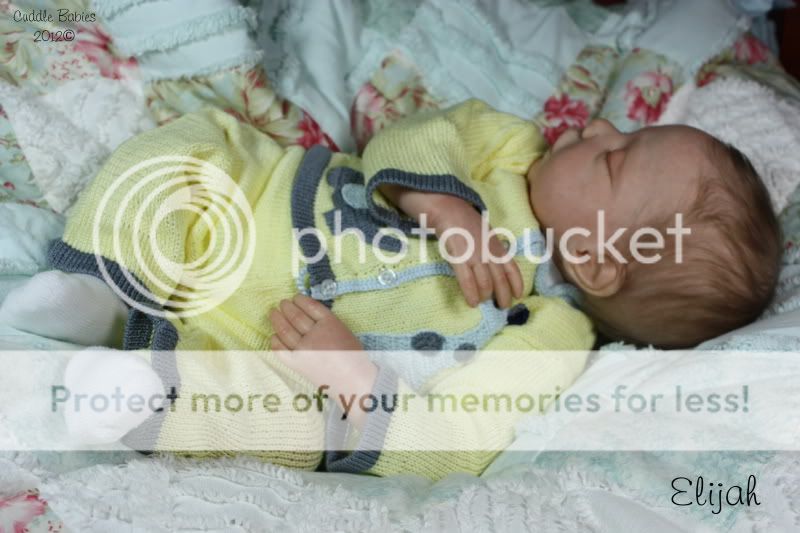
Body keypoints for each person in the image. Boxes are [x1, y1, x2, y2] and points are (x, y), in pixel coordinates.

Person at [0, 99, 780, 480]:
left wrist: (351, 377)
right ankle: (99, 280)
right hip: (257, 205)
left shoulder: (552, 337)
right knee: (198, 145)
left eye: (614, 158)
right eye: (616, 133)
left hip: (274, 348)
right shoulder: (511, 150)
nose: (598, 128)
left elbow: (457, 439)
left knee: (293, 425)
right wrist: (444, 204)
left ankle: (145, 396)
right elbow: (414, 133)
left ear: (604, 267)